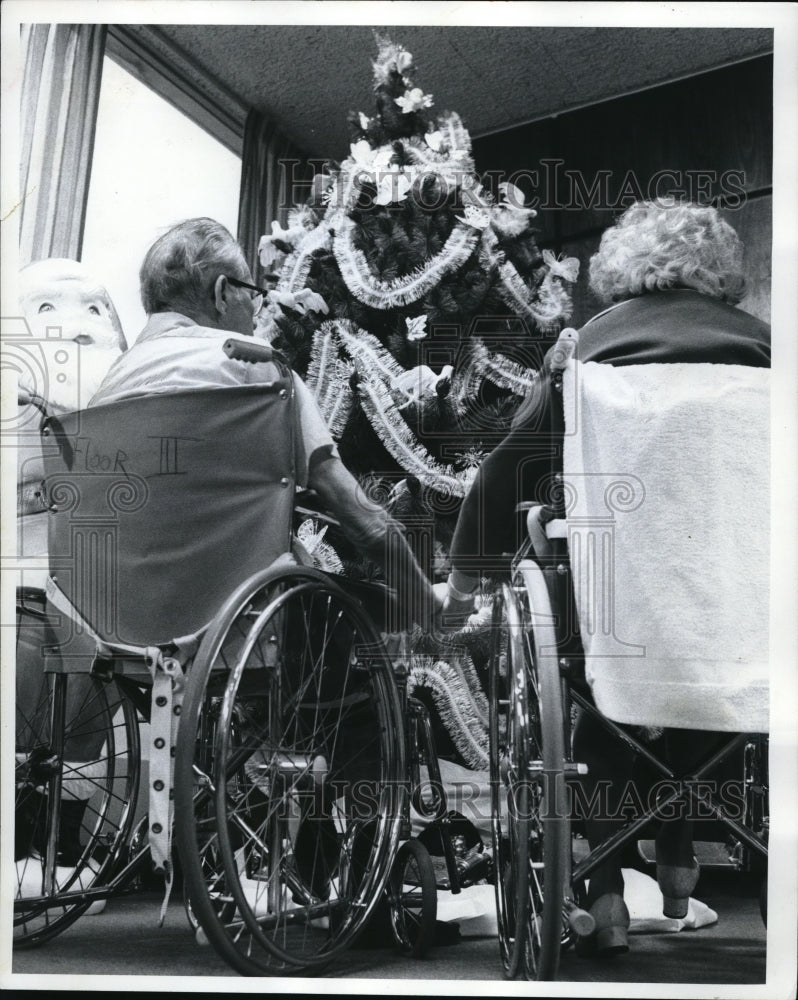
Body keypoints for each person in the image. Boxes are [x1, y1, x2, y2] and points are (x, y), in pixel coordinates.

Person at [438, 198, 770, 955]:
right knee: (712, 663)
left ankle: (608, 891)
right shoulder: (769, 352)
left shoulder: (589, 350)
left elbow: (509, 473)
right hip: (747, 609)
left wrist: (466, 581)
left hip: (619, 612)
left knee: (595, 681)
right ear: (723, 276)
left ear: (621, 272)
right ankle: (681, 861)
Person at [89, 217, 438, 632]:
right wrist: (428, 603)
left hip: (111, 617)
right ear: (222, 293)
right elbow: (361, 518)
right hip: (227, 618)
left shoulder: (106, 388)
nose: (256, 316)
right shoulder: (255, 364)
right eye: (252, 296)